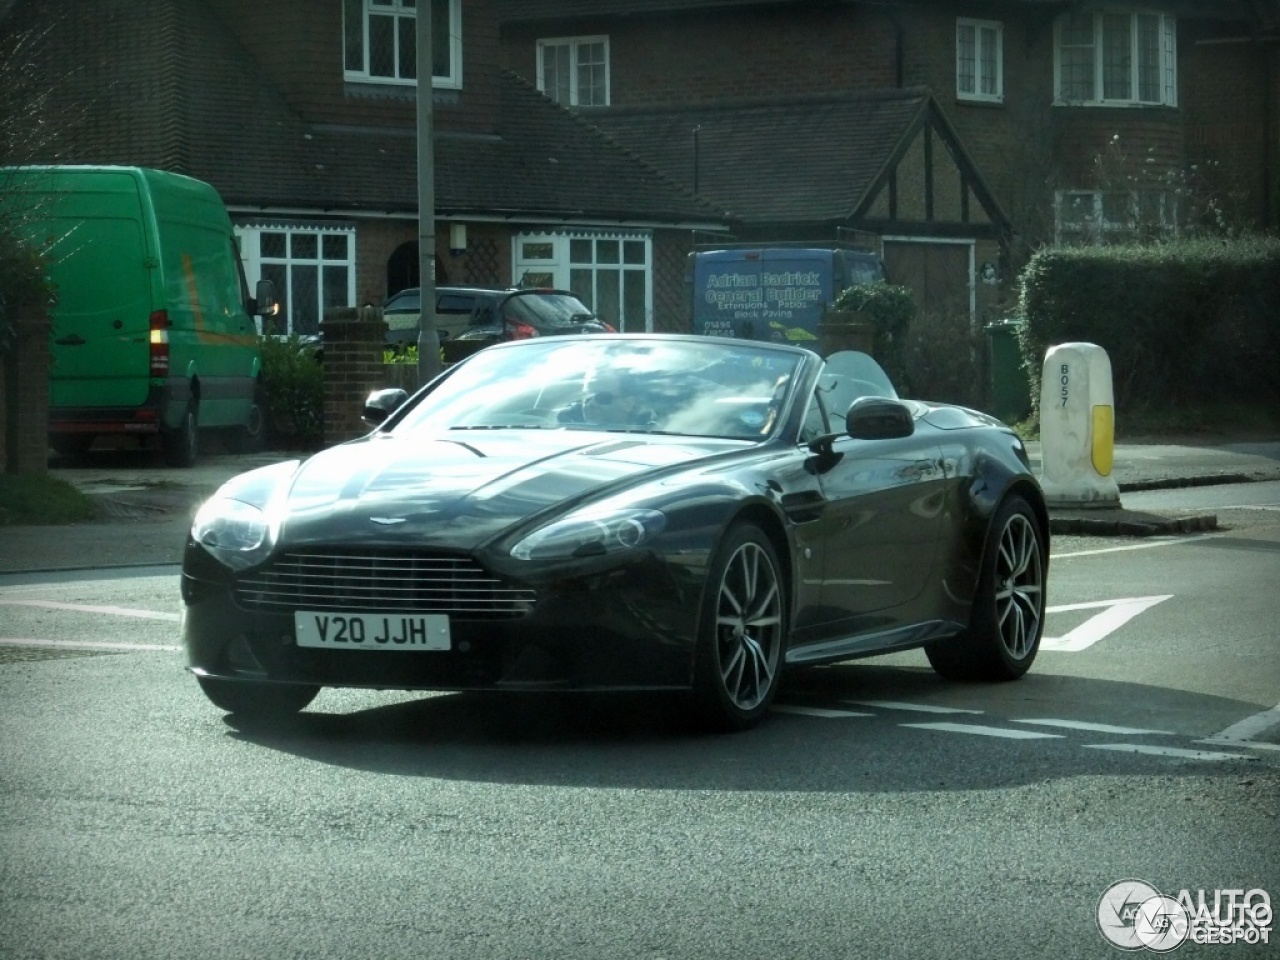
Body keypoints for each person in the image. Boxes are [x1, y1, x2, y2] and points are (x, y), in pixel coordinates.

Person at [558, 368, 655, 428]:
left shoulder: (654, 436)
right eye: (587, 397)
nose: (591, 404)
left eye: (601, 397)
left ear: (628, 404)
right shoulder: (562, 432)